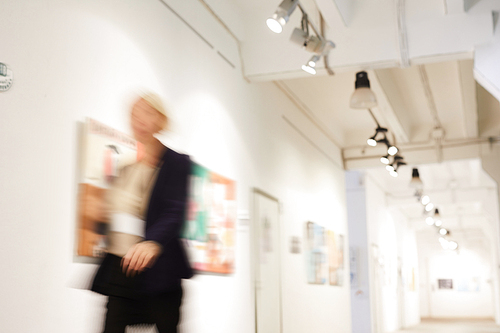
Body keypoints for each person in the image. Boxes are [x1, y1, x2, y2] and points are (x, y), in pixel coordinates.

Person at [91, 92, 193, 333]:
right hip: (121, 269)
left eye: (147, 113)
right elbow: (115, 219)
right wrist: (99, 217)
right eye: (134, 115)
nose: (139, 120)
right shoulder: (126, 169)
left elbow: (175, 209)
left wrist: (153, 242)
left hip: (158, 271)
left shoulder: (177, 163)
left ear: (160, 119)